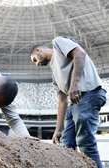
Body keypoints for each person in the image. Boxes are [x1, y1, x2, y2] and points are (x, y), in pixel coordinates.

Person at [30, 36, 106, 168]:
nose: (36, 64)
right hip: (74, 103)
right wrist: (57, 129)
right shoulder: (54, 75)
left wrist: (74, 85)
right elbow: (62, 101)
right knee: (66, 144)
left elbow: (80, 54)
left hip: (89, 93)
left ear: (38, 50)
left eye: (35, 60)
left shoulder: (57, 43)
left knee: (84, 141)